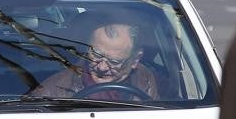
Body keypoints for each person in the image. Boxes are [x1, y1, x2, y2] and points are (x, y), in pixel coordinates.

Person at [31, 13, 159, 100]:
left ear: (135, 60)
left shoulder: (144, 79)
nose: (102, 67)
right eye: (96, 54)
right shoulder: (53, 90)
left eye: (114, 61)